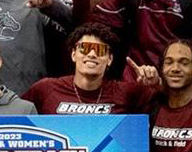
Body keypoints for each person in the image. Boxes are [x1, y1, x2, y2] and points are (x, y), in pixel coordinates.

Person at [25, 23, 157, 115]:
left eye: (100, 50)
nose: (92, 54)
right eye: (85, 48)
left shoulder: (126, 93)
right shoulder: (45, 89)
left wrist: (156, 84)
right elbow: (18, 112)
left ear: (109, 59)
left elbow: (170, 104)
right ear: (73, 54)